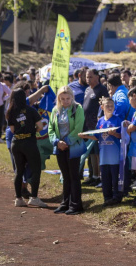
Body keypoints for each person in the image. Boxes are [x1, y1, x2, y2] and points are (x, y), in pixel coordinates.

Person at [6, 87, 48, 209]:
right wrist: (31, 130)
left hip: (16, 143)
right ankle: (34, 198)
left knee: (18, 171)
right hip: (29, 142)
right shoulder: (31, 110)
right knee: (35, 169)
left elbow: (12, 130)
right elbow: (40, 126)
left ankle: (18, 198)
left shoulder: (10, 112)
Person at [49, 86, 85, 215]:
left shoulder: (77, 108)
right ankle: (65, 203)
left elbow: (79, 127)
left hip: (73, 146)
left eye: (68, 98)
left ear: (72, 97)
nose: (65, 101)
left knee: (74, 176)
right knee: (65, 176)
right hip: (60, 147)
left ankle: (76, 205)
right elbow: (50, 128)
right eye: (62, 99)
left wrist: (67, 142)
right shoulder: (55, 110)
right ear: (59, 98)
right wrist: (57, 142)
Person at [80, 97, 123, 206]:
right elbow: (97, 136)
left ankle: (116, 197)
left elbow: (122, 136)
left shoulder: (117, 120)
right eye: (107, 105)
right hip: (104, 156)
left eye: (112, 106)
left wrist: (115, 134)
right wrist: (86, 136)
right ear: (102, 107)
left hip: (114, 156)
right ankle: (107, 197)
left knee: (115, 178)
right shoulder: (100, 121)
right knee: (105, 177)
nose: (110, 108)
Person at [82, 69, 109, 186]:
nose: (88, 79)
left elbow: (105, 106)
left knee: (97, 152)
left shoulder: (102, 89)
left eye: (90, 77)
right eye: (87, 77)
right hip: (86, 125)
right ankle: (93, 176)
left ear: (97, 77)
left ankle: (99, 176)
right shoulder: (87, 89)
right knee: (91, 152)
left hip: (96, 126)